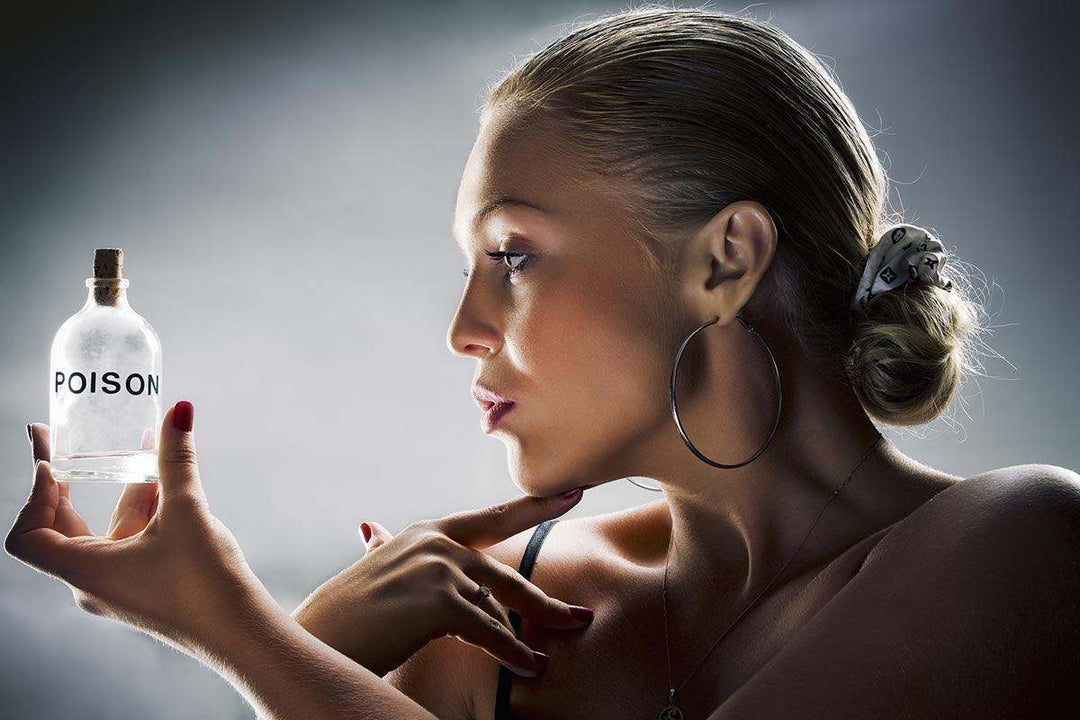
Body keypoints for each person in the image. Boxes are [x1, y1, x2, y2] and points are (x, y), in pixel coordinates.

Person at [7, 7, 1080, 720]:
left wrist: (240, 629)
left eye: (511, 254)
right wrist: (324, 643)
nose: (464, 328)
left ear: (727, 259)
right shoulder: (499, 617)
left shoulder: (1019, 549)